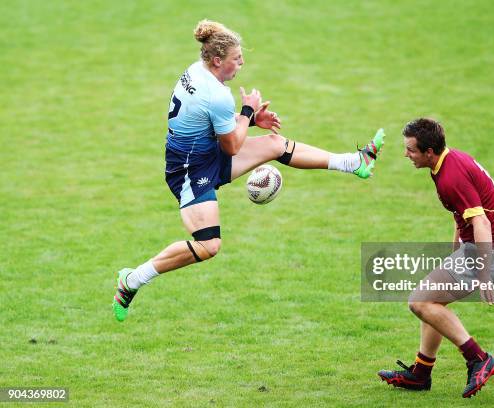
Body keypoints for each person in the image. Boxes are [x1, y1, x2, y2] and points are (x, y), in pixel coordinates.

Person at [112, 20, 385, 322]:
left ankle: (354, 162)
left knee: (274, 144)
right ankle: (133, 280)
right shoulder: (217, 94)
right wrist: (247, 112)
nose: (241, 64)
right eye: (236, 59)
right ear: (217, 60)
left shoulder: (197, 70)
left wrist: (251, 121)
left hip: (204, 152)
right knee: (208, 244)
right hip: (189, 169)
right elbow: (231, 146)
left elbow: (214, 126)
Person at [377, 118, 494, 398]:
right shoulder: (447, 162)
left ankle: (478, 358)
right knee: (431, 301)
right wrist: (455, 252)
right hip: (480, 247)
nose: (406, 154)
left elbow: (482, 224)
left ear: (429, 152)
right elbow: (461, 215)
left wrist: (484, 273)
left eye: (411, 150)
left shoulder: (451, 177)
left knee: (419, 301)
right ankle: (421, 373)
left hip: (490, 249)